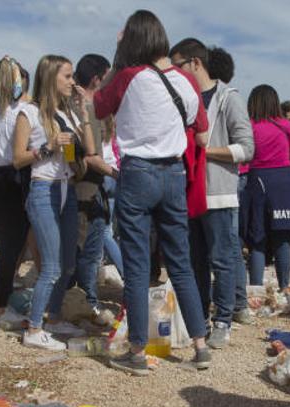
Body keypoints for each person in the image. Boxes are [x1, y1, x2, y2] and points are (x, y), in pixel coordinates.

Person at [94, 9, 212, 373]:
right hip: (174, 174)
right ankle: (200, 345)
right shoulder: (186, 82)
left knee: (138, 264)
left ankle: (137, 352)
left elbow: (97, 106)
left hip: (137, 174)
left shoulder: (128, 76)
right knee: (181, 262)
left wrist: (116, 59)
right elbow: (203, 134)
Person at [169, 38, 253, 349]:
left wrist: (208, 151)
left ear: (195, 63)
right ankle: (199, 319)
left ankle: (224, 320)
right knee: (195, 261)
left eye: (177, 66)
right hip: (188, 193)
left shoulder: (228, 98)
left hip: (218, 194)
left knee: (222, 259)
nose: (173, 73)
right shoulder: (183, 100)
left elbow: (247, 148)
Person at [12, 56, 89, 349]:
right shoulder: (28, 113)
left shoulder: (66, 113)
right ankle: (33, 329)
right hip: (43, 190)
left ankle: (53, 317)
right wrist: (48, 147)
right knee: (52, 267)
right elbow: (18, 159)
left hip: (67, 190)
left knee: (69, 264)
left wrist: (84, 113)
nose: (73, 82)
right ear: (51, 78)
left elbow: (84, 151)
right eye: (68, 76)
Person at [0, 57, 32, 320]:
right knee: (11, 246)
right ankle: (0, 305)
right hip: (12, 179)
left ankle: (4, 292)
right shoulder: (21, 112)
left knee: (6, 243)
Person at [70, 53, 121, 326]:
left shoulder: (83, 107)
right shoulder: (87, 109)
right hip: (88, 185)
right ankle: (87, 301)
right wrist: (118, 175)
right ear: (97, 79)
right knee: (89, 250)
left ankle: (79, 298)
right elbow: (91, 156)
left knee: (86, 247)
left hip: (85, 185)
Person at [244, 84, 290, 294]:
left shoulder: (249, 125)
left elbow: (244, 156)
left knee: (257, 238)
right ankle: (284, 286)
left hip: (257, 181)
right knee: (282, 235)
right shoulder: (286, 126)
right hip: (284, 182)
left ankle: (256, 289)